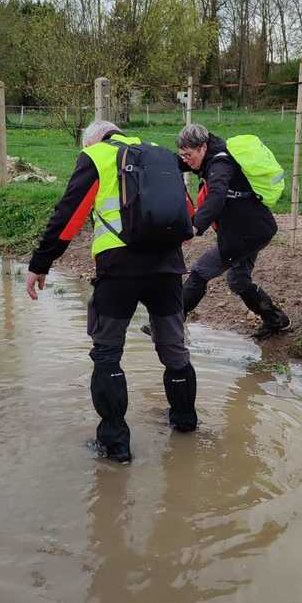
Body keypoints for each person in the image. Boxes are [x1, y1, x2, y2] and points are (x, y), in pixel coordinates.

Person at [26, 120, 198, 464]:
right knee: (174, 347)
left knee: (107, 352)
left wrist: (40, 263)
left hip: (119, 269)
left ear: (91, 141)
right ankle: (185, 423)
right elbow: (187, 211)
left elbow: (69, 216)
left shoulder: (96, 156)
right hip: (167, 266)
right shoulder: (159, 153)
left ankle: (115, 446)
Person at [176, 123, 290, 339]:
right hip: (254, 230)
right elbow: (181, 163)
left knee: (200, 271)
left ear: (202, 147)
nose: (185, 160)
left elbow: (216, 196)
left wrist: (195, 226)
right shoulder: (209, 156)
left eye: (188, 155)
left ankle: (169, 325)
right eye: (182, 155)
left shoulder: (220, 164)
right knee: (238, 280)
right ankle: (277, 320)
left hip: (245, 235)